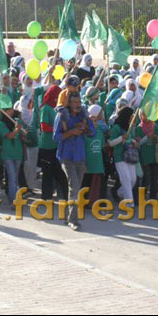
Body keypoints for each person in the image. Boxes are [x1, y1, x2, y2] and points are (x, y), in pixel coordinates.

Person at [53, 93, 96, 231]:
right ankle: (73, 220)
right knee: (75, 187)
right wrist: (72, 132)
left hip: (80, 157)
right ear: (69, 103)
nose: (77, 104)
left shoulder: (83, 116)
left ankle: (68, 216)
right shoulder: (61, 116)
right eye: (74, 102)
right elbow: (56, 137)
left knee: (75, 188)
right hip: (66, 157)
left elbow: (93, 133)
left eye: (79, 102)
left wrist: (85, 128)